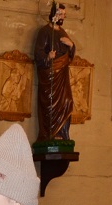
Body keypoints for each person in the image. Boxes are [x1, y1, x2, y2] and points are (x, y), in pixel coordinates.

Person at [34, 2, 75, 141]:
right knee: (51, 104)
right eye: (60, 13)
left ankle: (63, 135)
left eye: (64, 14)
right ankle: (50, 135)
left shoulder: (63, 33)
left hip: (62, 76)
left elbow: (69, 57)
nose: (62, 17)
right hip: (50, 77)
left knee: (67, 101)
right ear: (53, 13)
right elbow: (38, 54)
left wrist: (71, 45)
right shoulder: (44, 32)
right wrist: (48, 57)